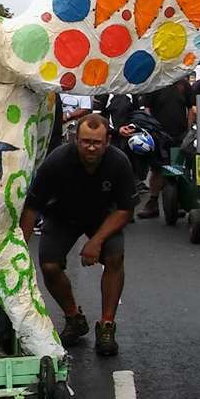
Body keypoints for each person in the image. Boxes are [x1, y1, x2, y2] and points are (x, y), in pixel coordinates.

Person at [21, 114, 135, 356]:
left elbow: (125, 210)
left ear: (107, 141)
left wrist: (96, 242)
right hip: (63, 216)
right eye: (85, 142)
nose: (90, 147)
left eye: (96, 142)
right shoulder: (57, 161)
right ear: (75, 139)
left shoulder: (119, 162)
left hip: (104, 217)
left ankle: (106, 325)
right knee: (49, 265)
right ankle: (74, 317)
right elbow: (32, 206)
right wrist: (20, 245)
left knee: (115, 257)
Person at [134, 78, 193, 218]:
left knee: (177, 168)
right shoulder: (155, 82)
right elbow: (147, 109)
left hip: (180, 135)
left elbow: (192, 107)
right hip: (158, 135)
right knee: (157, 169)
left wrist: (189, 129)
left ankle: (177, 202)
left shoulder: (183, 84)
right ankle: (153, 203)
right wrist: (151, 128)